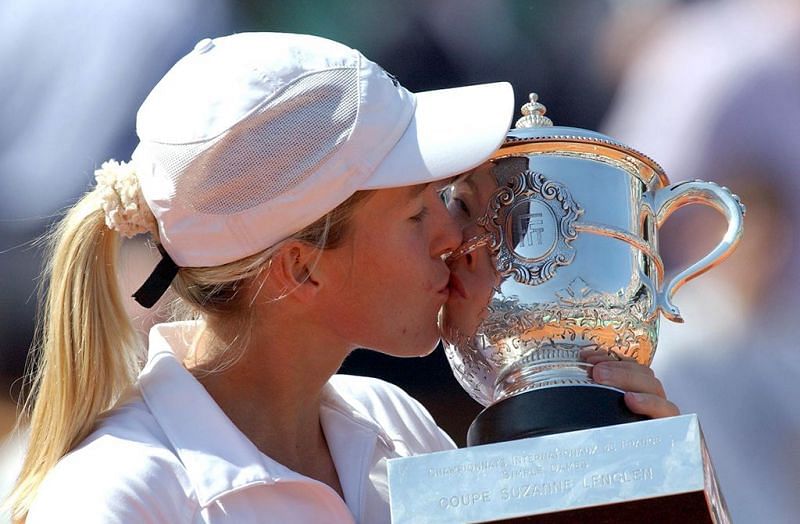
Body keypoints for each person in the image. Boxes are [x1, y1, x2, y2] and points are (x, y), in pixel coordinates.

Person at [6, 32, 677, 523]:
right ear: (302, 268)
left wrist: (608, 464)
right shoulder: (115, 498)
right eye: (418, 214)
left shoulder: (395, 425)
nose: (456, 237)